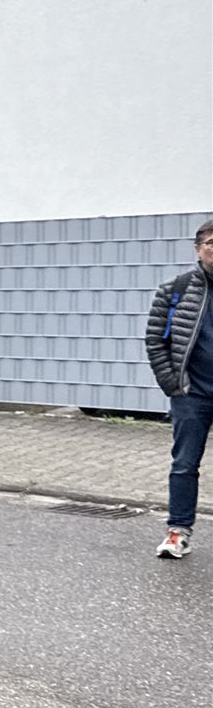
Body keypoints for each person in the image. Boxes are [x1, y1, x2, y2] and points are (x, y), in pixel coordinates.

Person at [145, 218, 213, 559]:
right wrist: (173, 384)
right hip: (193, 394)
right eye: (211, 243)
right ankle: (178, 532)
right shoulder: (176, 290)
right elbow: (156, 340)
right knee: (184, 464)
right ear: (198, 249)